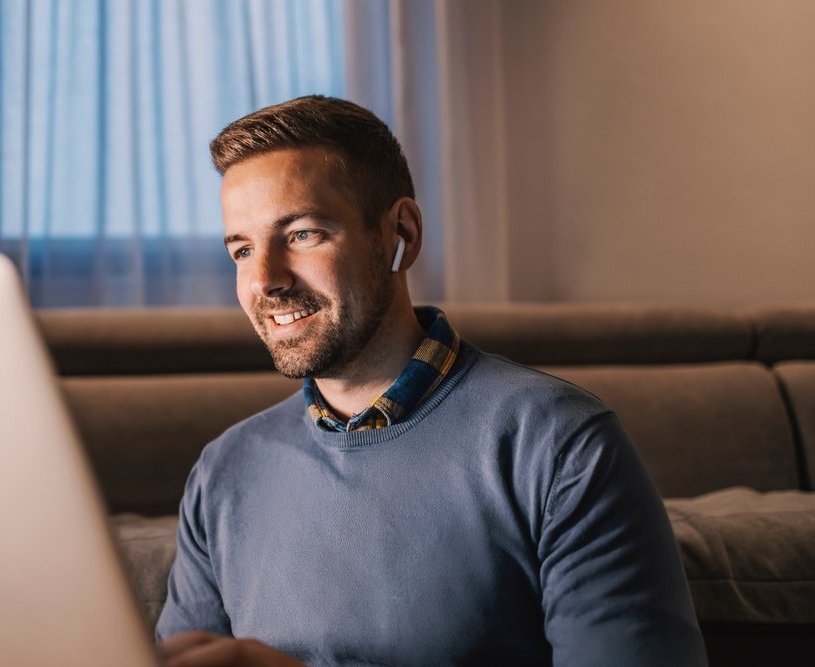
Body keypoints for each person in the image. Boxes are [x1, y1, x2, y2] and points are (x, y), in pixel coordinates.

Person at [156, 96, 706, 667]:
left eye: (303, 234)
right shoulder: (224, 470)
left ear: (402, 233)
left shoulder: (559, 445)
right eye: (242, 250)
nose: (265, 279)